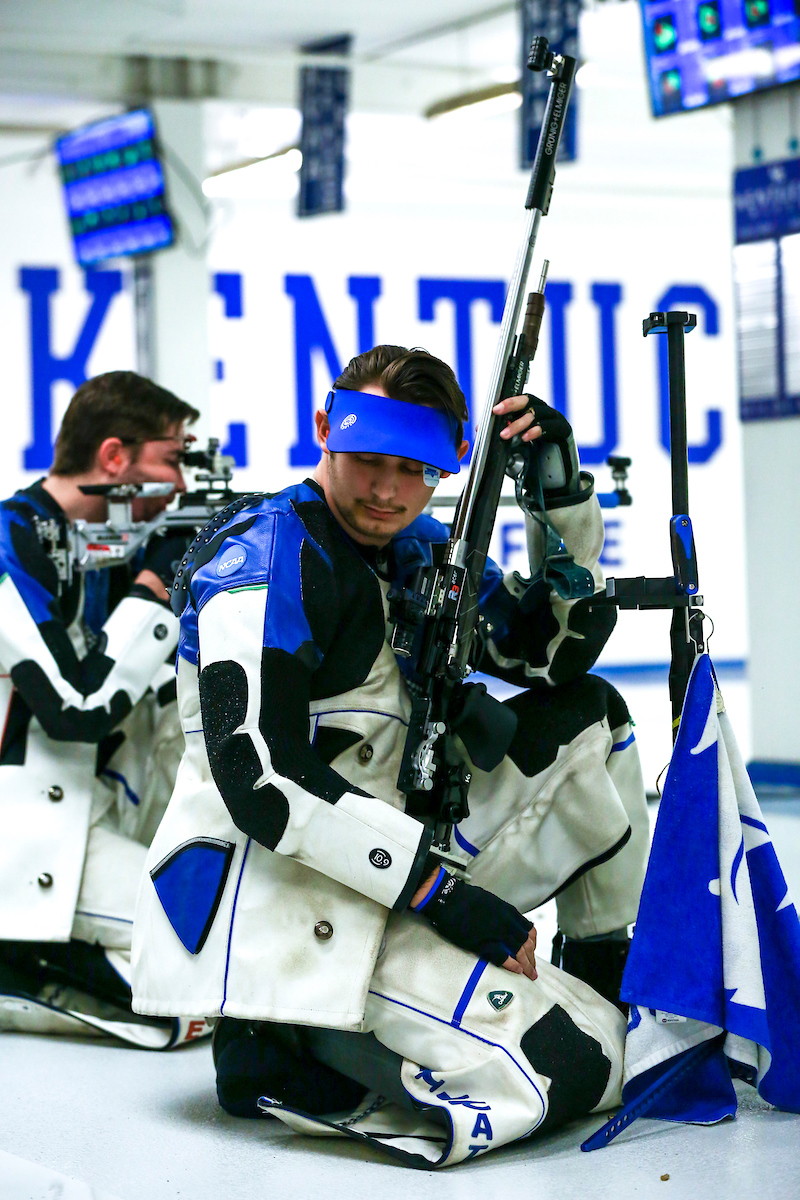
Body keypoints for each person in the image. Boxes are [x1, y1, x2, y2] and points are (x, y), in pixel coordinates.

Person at [132, 346, 649, 1163]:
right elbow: (260, 777)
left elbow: (554, 655)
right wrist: (444, 896)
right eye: (367, 460)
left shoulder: (418, 549)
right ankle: (274, 1039)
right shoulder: (263, 559)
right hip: (285, 893)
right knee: (577, 1064)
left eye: (413, 469)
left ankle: (610, 971)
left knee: (594, 721)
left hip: (394, 855)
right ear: (324, 431)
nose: (385, 490)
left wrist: (557, 496)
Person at [0, 371, 212, 1048]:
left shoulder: (107, 544)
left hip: (90, 820)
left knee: (229, 941)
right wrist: (156, 586)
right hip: (28, 836)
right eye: (171, 459)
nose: (181, 484)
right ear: (115, 458)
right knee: (205, 962)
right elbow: (76, 704)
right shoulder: (11, 539)